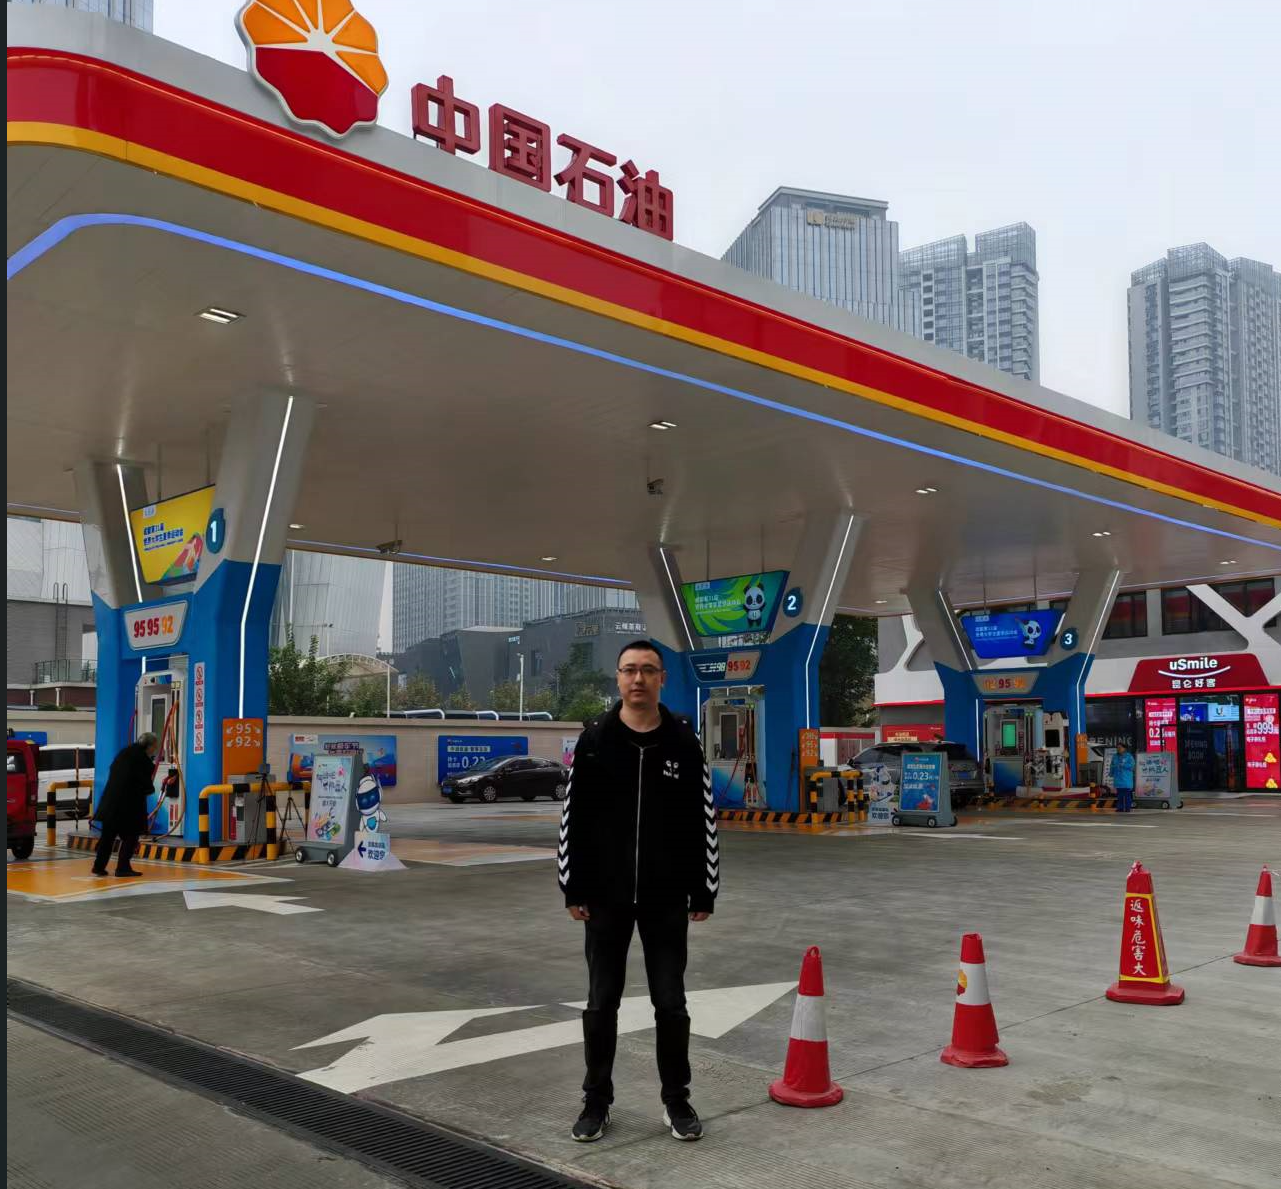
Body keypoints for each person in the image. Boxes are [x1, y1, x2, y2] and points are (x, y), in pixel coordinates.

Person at [558, 639, 719, 1144]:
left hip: (665, 898)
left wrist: (704, 889)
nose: (638, 679)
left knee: (670, 1003)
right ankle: (596, 1101)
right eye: (629, 669)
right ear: (618, 677)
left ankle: (677, 1100)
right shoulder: (594, 741)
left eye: (648, 670)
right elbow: (573, 819)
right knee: (600, 1003)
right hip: (604, 898)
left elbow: (703, 818)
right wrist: (573, 886)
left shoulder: (684, 742)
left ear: (662, 678)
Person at [91, 732, 159, 877]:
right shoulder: (142, 759)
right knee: (131, 836)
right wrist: (150, 788)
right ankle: (123, 867)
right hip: (128, 806)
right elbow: (144, 783)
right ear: (149, 746)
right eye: (155, 747)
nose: (155, 750)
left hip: (110, 802)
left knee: (107, 837)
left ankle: (98, 866)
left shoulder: (124, 753)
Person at [1112, 742, 1136, 813]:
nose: (1118, 749)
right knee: (1119, 795)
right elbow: (1112, 765)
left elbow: (1132, 766)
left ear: (1124, 748)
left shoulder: (1129, 756)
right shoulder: (1115, 756)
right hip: (1118, 779)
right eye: (1117, 748)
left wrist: (1123, 765)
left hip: (1126, 779)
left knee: (1127, 795)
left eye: (1120, 747)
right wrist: (1111, 772)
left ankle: (1127, 808)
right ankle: (1120, 808)